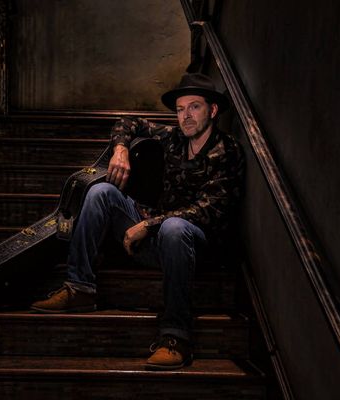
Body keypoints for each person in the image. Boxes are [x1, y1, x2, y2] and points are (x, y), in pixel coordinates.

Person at [30, 73, 245, 370]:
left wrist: (148, 224)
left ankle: (176, 337)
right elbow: (128, 122)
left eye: (194, 107)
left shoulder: (228, 151)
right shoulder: (174, 138)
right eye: (180, 109)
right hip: (158, 239)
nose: (186, 116)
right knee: (101, 191)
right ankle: (80, 288)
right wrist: (120, 149)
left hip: (196, 248)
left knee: (174, 228)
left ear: (213, 110)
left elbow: (208, 210)